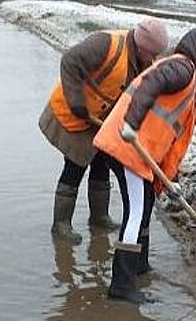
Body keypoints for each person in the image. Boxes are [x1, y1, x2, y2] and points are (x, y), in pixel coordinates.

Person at [93, 29, 196, 303]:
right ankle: (121, 286)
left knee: (146, 203)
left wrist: (168, 179)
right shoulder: (180, 68)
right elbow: (150, 84)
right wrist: (132, 121)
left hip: (138, 152)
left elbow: (170, 137)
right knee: (136, 212)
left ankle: (139, 265)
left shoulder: (186, 79)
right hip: (126, 144)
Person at [39, 19, 169, 244]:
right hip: (76, 113)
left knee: (101, 165)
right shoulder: (106, 44)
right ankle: (60, 225)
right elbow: (70, 61)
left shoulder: (143, 61)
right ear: (142, 47)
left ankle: (99, 217)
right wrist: (77, 102)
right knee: (75, 167)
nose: (153, 60)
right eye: (152, 54)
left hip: (102, 122)